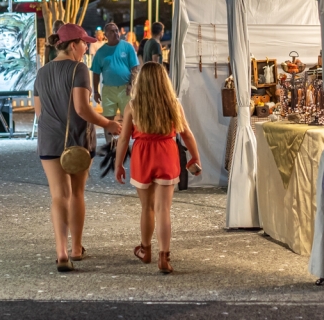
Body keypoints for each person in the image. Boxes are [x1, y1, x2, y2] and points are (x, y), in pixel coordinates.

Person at [35, 24, 122, 272]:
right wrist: (109, 124)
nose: (87, 47)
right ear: (73, 44)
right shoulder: (79, 69)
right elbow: (82, 109)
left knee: (58, 196)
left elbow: (39, 112)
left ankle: (61, 252)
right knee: (76, 193)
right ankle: (76, 248)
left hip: (49, 141)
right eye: (84, 43)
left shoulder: (42, 73)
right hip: (77, 140)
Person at [115, 62, 201, 274]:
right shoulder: (173, 104)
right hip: (166, 153)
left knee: (147, 208)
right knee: (164, 209)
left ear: (140, 81)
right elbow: (186, 133)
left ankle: (145, 250)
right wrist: (195, 157)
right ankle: (165, 257)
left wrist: (118, 164)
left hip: (142, 155)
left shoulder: (132, 105)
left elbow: (124, 138)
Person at [91, 23, 139, 149]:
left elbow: (135, 68)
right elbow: (95, 73)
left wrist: (131, 85)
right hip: (108, 90)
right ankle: (110, 145)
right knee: (108, 119)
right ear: (105, 35)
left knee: (129, 117)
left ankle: (128, 144)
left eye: (116, 30)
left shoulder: (127, 47)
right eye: (111, 32)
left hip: (126, 89)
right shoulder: (101, 52)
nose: (115, 33)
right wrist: (95, 92)